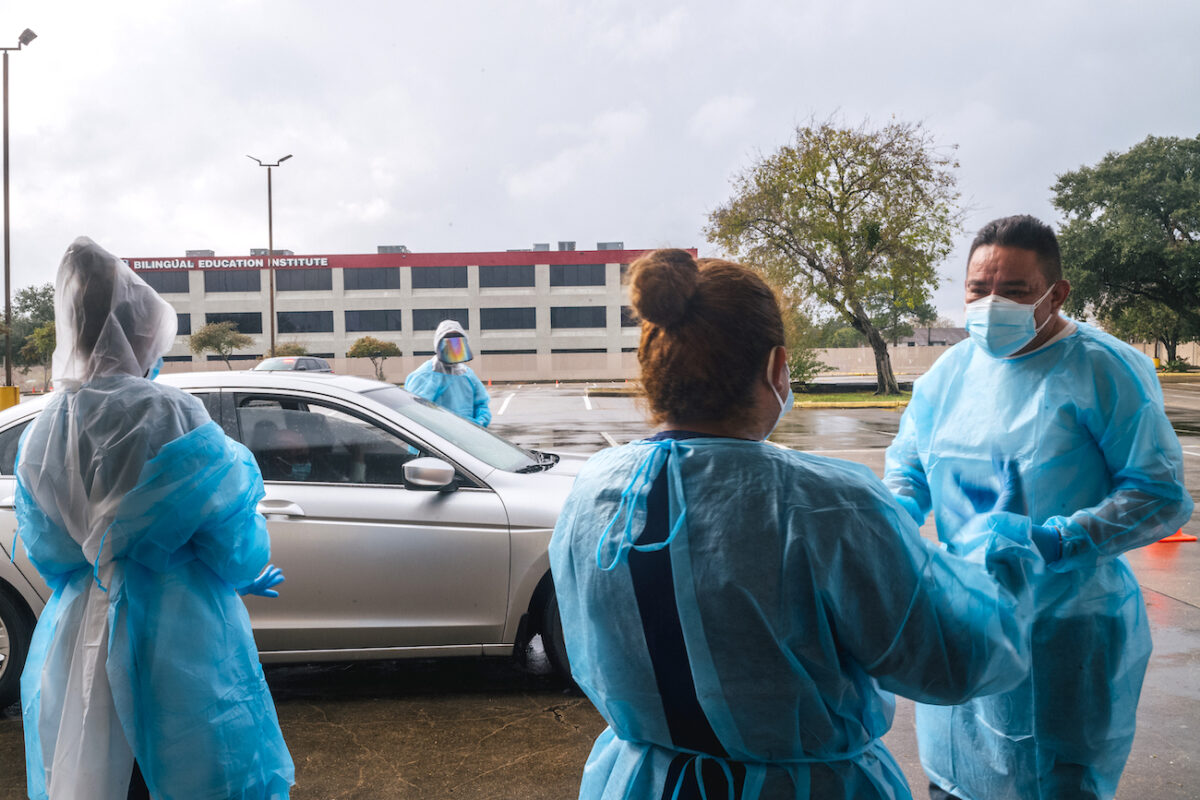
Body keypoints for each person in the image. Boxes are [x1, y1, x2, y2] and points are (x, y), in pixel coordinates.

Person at [549, 248, 1043, 800]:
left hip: (646, 782)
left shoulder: (594, 491)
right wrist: (1004, 557)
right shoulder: (831, 501)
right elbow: (948, 665)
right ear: (776, 366)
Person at [884, 215, 1194, 800]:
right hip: (965, 615)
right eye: (979, 288)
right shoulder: (950, 373)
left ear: (1056, 294)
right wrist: (891, 516)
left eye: (1015, 290)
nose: (991, 302)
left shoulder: (1104, 368)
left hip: (1064, 624)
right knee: (955, 776)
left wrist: (1059, 540)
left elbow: (1158, 493)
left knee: (1049, 779)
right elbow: (909, 465)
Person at [16, 237, 294, 800]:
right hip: (181, 637)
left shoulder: (43, 430)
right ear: (139, 332)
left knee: (93, 771)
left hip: (77, 638)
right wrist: (244, 569)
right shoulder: (169, 411)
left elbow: (48, 551)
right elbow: (235, 539)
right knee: (191, 775)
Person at [404, 319, 491, 426]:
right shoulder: (423, 376)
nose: (454, 350)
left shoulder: (467, 374)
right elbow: (416, 414)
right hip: (435, 440)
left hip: (467, 437)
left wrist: (479, 424)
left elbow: (481, 405)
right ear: (438, 346)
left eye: (458, 346)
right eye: (449, 346)